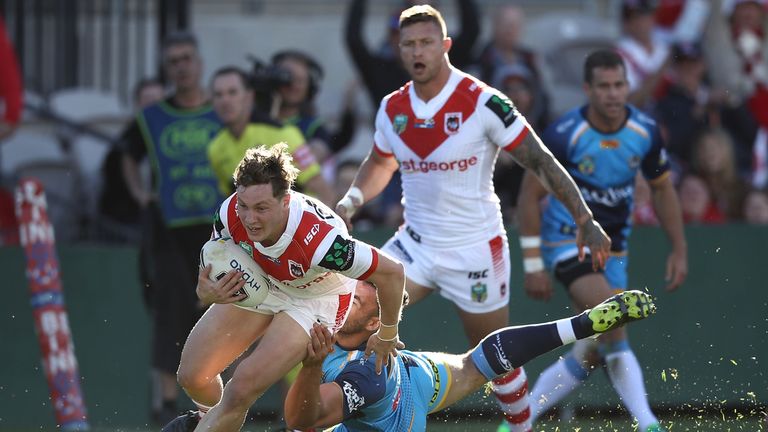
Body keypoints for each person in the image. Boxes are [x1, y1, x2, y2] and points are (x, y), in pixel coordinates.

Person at [336, 6, 612, 432]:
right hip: (416, 245)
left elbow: (539, 160)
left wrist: (584, 216)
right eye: (408, 44)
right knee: (352, 315)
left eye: (426, 42)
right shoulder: (393, 107)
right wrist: (351, 202)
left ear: (445, 46)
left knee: (494, 358)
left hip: (476, 250)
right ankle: (352, 418)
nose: (416, 51)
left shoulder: (484, 101)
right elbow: (379, 161)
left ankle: (520, 427)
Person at [162, 144, 407, 432]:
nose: (250, 219)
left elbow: (392, 272)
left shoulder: (322, 244)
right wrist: (206, 292)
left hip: (316, 300)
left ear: (285, 201)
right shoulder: (229, 213)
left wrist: (388, 332)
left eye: (262, 208)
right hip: (266, 278)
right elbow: (216, 258)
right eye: (244, 205)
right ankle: (220, 421)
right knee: (193, 376)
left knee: (240, 389)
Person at [518, 49, 688, 432]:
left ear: (628, 86)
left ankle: (517, 422)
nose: (613, 94)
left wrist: (678, 248)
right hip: (567, 244)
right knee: (615, 315)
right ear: (588, 90)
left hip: (615, 250)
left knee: (591, 351)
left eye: (620, 85)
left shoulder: (644, 133)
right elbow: (529, 195)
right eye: (604, 87)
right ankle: (648, 424)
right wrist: (533, 265)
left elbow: (662, 189)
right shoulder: (564, 136)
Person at [283, 280, 657, 431]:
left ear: (374, 323)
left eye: (358, 295)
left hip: (386, 398)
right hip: (416, 378)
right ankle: (581, 325)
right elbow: (478, 363)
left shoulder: (367, 374)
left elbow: (302, 418)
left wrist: (312, 366)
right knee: (476, 363)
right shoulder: (365, 348)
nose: (346, 293)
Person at [119, 32, 224, 425]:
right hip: (169, 231)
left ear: (199, 63)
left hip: (219, 231)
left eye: (186, 58)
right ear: (168, 69)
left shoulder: (221, 110)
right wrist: (138, 191)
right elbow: (126, 155)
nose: (181, 66)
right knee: (170, 315)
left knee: (225, 313)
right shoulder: (152, 117)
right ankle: (165, 406)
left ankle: (221, 402)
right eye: (173, 61)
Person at [207, 65, 335, 205]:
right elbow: (233, 202)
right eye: (218, 95)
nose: (225, 100)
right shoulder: (215, 148)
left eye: (232, 92)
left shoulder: (283, 134)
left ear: (249, 96)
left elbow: (324, 191)